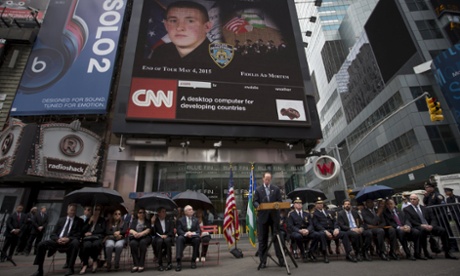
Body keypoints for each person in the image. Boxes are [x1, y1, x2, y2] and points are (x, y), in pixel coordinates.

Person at [148, 1, 216, 69]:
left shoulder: (218, 56)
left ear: (207, 27)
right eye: (173, 21)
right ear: (166, 25)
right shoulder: (160, 51)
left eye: (190, 21)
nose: (179, 27)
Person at [31, 203, 83, 276]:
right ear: (67, 211)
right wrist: (57, 239)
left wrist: (68, 239)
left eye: (74, 210)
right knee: (41, 244)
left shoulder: (79, 221)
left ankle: (70, 268)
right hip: (58, 241)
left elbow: (78, 234)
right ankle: (39, 270)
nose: (73, 212)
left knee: (76, 243)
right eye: (71, 210)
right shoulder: (61, 220)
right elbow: (53, 234)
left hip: (69, 241)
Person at [404, 193, 458, 260]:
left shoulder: (425, 208)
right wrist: (421, 225)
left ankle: (447, 252)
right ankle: (426, 252)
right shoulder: (407, 209)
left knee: (442, 230)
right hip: (418, 226)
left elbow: (433, 218)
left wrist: (431, 225)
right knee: (422, 231)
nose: (412, 200)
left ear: (418, 200)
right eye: (411, 199)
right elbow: (410, 220)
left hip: (429, 226)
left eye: (414, 199)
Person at [253, 171, 284, 268]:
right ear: (263, 179)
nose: (267, 180)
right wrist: (258, 206)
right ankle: (263, 261)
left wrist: (276, 205)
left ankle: (281, 260)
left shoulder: (276, 189)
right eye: (266, 179)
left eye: (269, 179)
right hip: (263, 217)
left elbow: (280, 201)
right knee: (263, 240)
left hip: (274, 217)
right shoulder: (258, 190)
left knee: (277, 239)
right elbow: (255, 201)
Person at [312, 198, 356, 263]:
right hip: (323, 230)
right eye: (318, 203)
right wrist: (325, 231)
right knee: (322, 235)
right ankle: (325, 254)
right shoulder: (315, 214)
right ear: (316, 205)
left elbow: (335, 221)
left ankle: (348, 253)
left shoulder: (329, 212)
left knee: (344, 234)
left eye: (321, 203)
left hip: (332, 229)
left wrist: (336, 228)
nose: (320, 205)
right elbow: (316, 225)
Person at [287, 197, 323, 263]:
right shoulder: (291, 215)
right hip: (297, 232)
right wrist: (299, 231)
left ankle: (310, 251)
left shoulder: (306, 213)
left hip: (306, 231)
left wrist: (308, 230)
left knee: (317, 235)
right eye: (297, 203)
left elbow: (311, 224)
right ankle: (303, 252)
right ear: (294, 205)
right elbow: (291, 226)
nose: (299, 204)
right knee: (298, 236)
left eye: (300, 203)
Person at [80, 205, 106, 274]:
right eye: (95, 209)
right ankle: (85, 264)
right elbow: (83, 230)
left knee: (96, 244)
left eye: (98, 210)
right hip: (88, 238)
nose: (97, 211)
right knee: (86, 245)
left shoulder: (102, 220)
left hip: (97, 237)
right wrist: (89, 222)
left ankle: (95, 261)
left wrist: (92, 233)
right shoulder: (88, 219)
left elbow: (103, 230)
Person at [175, 205, 201, 271]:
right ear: (185, 212)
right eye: (189, 210)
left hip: (193, 237)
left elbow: (198, 230)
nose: (191, 211)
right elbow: (179, 230)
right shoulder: (180, 220)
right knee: (179, 239)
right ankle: (178, 261)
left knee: (197, 240)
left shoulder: (196, 220)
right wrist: (186, 233)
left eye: (192, 209)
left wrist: (192, 233)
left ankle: (193, 261)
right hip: (184, 236)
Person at [128, 208, 151, 273]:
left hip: (145, 237)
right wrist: (135, 233)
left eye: (143, 213)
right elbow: (130, 229)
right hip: (135, 237)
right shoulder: (134, 221)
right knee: (133, 244)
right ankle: (136, 264)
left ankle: (141, 264)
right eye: (140, 212)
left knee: (142, 243)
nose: (142, 214)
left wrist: (141, 234)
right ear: (137, 214)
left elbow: (148, 230)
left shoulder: (147, 221)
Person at [152, 207, 174, 271]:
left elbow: (171, 231)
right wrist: (152, 224)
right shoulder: (156, 221)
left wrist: (166, 235)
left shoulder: (169, 220)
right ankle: (160, 264)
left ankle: (169, 263)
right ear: (159, 213)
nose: (164, 213)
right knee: (159, 242)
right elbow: (153, 233)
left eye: (165, 211)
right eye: (163, 211)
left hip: (167, 236)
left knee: (167, 241)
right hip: (159, 237)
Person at [444, 187, 460, 251]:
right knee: (457, 229)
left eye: (447, 191)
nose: (446, 193)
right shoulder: (447, 199)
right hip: (454, 216)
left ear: (451, 191)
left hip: (458, 214)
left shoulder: (457, 197)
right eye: (445, 192)